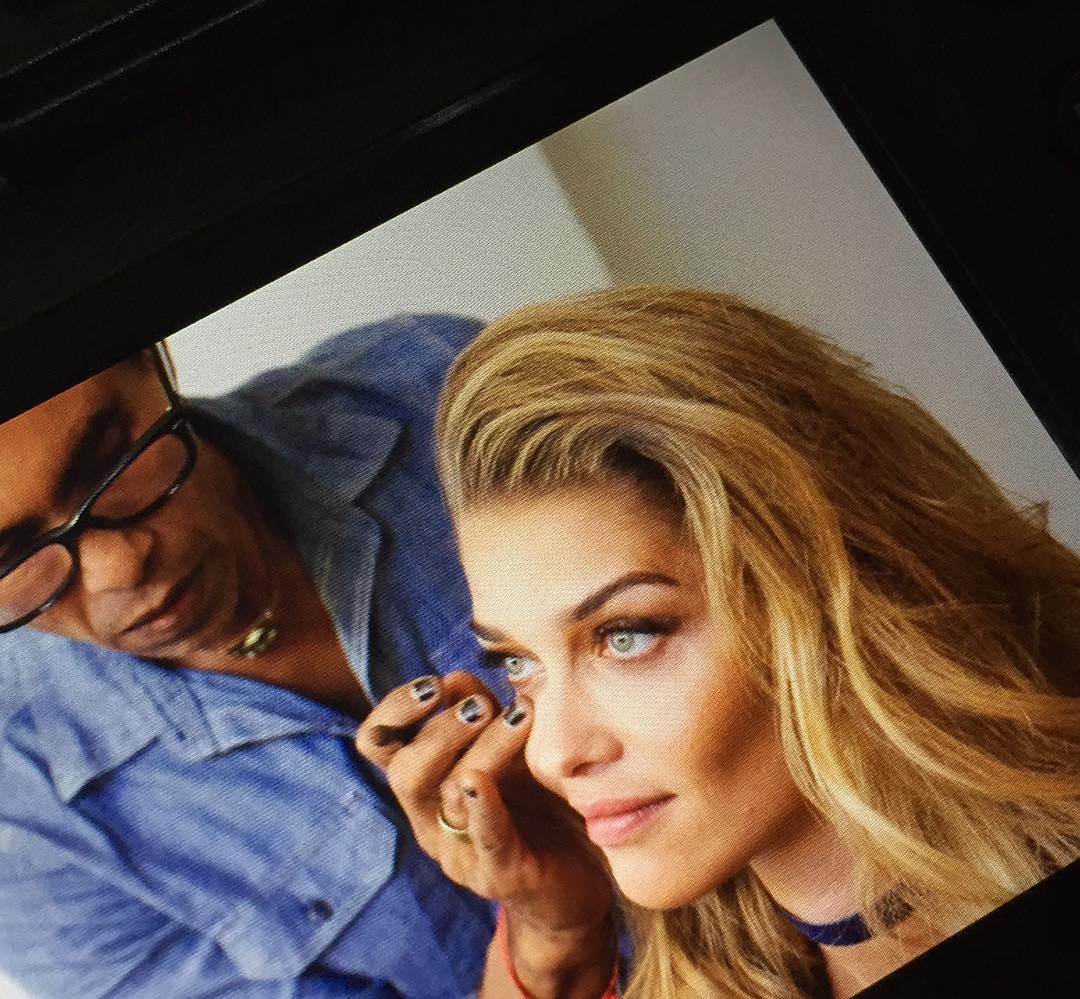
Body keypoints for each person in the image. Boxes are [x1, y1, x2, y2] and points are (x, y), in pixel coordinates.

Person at [356, 284, 1080, 998]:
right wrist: (552, 928)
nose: (551, 753)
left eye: (626, 636)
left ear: (836, 591)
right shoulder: (706, 959)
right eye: (519, 662)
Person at [0, 314, 515, 998]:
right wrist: (545, 944)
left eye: (109, 462)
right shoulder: (24, 820)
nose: (118, 568)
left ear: (152, 356)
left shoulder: (445, 391)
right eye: (14, 558)